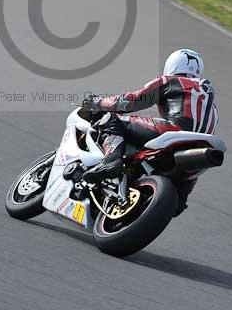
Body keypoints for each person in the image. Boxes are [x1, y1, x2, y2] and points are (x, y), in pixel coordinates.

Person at [80, 49, 219, 213]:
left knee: (112, 118)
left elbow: (130, 101)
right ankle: (179, 197)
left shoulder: (172, 81)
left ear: (171, 65)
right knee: (178, 199)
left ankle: (111, 161)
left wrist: (98, 102)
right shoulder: (212, 107)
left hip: (171, 131)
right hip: (198, 148)